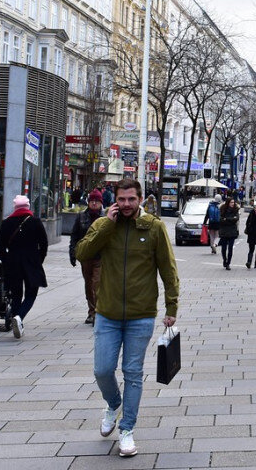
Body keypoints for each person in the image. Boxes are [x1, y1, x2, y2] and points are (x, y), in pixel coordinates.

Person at [74, 178, 178, 458]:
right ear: (115, 200)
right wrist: (106, 225)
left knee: (133, 373)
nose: (127, 204)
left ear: (141, 199)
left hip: (140, 314)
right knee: (102, 370)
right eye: (122, 199)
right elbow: (82, 252)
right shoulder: (104, 224)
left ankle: (127, 430)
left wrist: (171, 307)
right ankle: (113, 403)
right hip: (107, 313)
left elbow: (168, 268)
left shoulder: (154, 227)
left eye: (132, 199)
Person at [0, 195, 48, 339]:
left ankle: (16, 317)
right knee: (31, 293)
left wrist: (6, 260)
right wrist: (39, 259)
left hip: (13, 262)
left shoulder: (6, 223)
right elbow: (44, 244)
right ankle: (19, 317)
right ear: (28, 207)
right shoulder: (35, 222)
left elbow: (0, 246)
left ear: (15, 207)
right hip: (32, 261)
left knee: (16, 294)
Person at [70, 189, 104, 325]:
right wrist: (72, 254)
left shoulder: (106, 217)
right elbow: (74, 236)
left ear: (101, 203)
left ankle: (98, 313)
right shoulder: (81, 217)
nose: (94, 203)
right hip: (86, 257)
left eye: (97, 201)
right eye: (92, 201)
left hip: (101, 257)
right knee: (88, 285)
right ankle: (91, 311)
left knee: (97, 284)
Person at [218, 197, 240, 270]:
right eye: (231, 202)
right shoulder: (223, 210)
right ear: (228, 203)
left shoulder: (235, 210)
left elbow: (236, 219)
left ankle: (228, 263)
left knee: (230, 248)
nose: (232, 204)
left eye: (233, 202)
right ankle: (225, 259)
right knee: (223, 248)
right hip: (224, 231)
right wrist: (231, 220)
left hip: (232, 232)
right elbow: (221, 220)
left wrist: (227, 219)